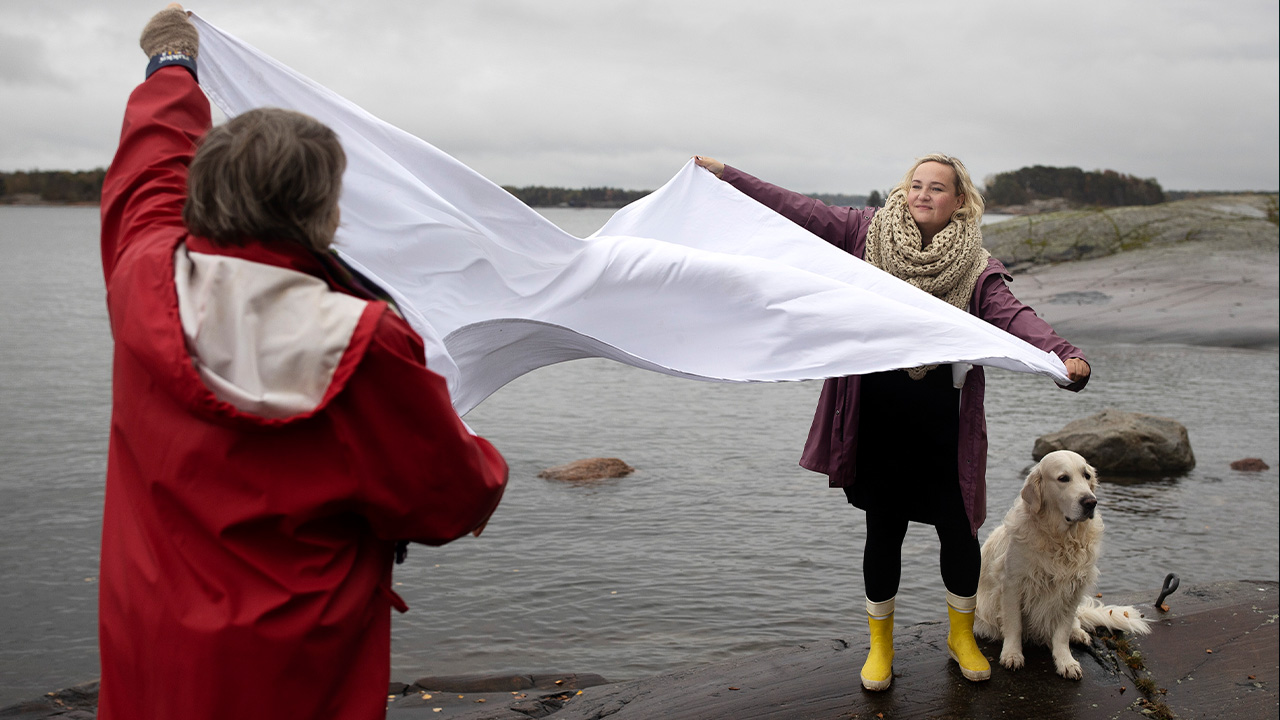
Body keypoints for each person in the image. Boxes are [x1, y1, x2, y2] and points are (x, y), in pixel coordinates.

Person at [96, 6, 509, 718]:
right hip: (296, 659)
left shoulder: (144, 276)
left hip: (153, 633)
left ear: (203, 188)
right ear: (321, 210)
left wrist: (171, 64)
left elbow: (148, 168)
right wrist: (486, 460)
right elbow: (446, 499)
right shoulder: (364, 341)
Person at [694, 154, 1090, 691]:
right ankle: (881, 647)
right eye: (915, 186)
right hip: (877, 413)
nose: (922, 195)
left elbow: (1014, 317)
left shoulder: (976, 267)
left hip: (943, 424)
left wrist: (1062, 353)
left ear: (959, 201)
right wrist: (728, 177)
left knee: (959, 532)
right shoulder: (864, 233)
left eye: (937, 188)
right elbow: (797, 210)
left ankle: (961, 636)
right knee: (884, 530)